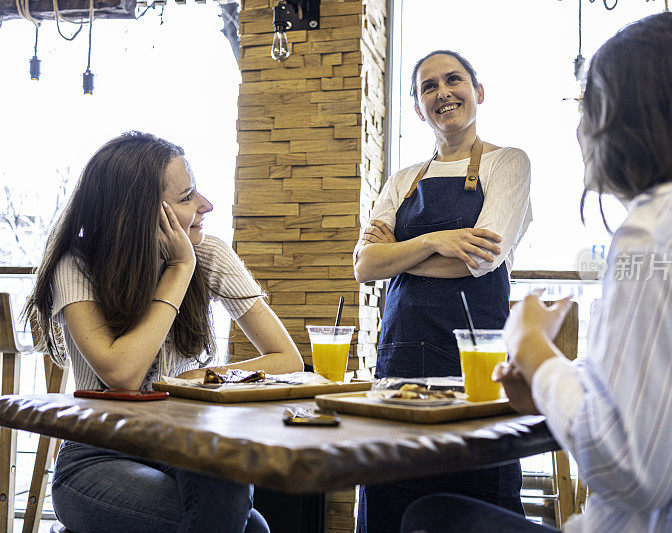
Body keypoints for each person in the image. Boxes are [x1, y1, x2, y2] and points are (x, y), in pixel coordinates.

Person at [400, 12, 672, 533]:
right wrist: (550, 384)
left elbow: (628, 468)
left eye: (589, 105)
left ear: (632, 118)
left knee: (431, 517)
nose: (581, 126)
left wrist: (535, 350)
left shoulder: (662, 229)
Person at [26, 131, 304, 533]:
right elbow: (122, 375)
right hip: (97, 456)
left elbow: (286, 358)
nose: (206, 205)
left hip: (178, 443)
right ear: (143, 214)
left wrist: (193, 379)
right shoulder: (77, 265)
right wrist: (178, 271)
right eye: (187, 196)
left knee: (232, 487)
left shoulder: (211, 254)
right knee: (251, 529)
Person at [353, 50, 532, 532]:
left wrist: (402, 254)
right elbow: (365, 265)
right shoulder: (403, 179)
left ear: (478, 91)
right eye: (428, 87)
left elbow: (479, 261)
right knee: (391, 494)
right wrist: (436, 239)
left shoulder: (508, 163)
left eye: (453, 80)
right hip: (398, 368)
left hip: (474, 372)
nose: (442, 93)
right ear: (417, 106)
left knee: (476, 499)